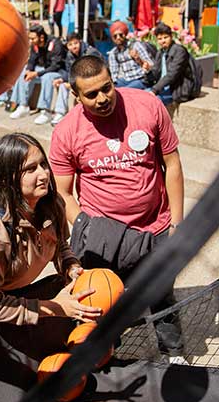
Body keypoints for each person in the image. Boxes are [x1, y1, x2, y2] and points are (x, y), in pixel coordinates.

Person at [49, 54, 186, 363]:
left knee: (161, 294)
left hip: (155, 227)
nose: (102, 98)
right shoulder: (66, 132)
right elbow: (62, 193)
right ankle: (100, 356)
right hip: (103, 239)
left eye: (107, 88)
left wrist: (177, 222)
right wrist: (88, 227)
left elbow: (172, 164)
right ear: (76, 95)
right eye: (92, 94)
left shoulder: (147, 106)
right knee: (98, 302)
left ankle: (174, 356)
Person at [0, 132, 101, 327]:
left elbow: (59, 244)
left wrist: (70, 266)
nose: (44, 174)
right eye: (31, 169)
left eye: (43, 164)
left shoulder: (53, 204)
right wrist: (53, 307)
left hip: (15, 296)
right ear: (5, 179)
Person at [48, 31, 102, 125]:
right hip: (80, 80)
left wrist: (74, 83)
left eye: (76, 43)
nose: (74, 47)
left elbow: (92, 73)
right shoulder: (70, 55)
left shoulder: (90, 52)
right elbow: (70, 72)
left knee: (68, 87)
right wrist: (62, 79)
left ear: (80, 42)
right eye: (70, 44)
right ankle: (60, 113)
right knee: (62, 85)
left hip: (95, 79)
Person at [142, 22, 200, 106]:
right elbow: (155, 73)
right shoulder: (160, 52)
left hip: (177, 90)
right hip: (162, 87)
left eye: (166, 37)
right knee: (140, 96)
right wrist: (148, 71)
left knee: (151, 102)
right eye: (160, 39)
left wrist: (154, 90)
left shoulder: (179, 51)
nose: (163, 41)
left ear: (171, 37)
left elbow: (172, 75)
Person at [27, 27, 67, 124]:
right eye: (29, 38)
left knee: (46, 77)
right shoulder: (35, 45)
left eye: (33, 38)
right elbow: (32, 60)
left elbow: (55, 66)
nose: (30, 41)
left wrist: (37, 73)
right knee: (23, 73)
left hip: (60, 71)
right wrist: (29, 70)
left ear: (41, 37)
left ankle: (46, 111)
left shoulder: (55, 44)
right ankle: (23, 105)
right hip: (45, 69)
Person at [107, 21, 153, 89]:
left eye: (120, 35)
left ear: (125, 35)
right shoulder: (113, 53)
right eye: (115, 36)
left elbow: (150, 64)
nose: (118, 38)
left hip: (139, 78)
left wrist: (138, 59)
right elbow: (114, 74)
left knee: (126, 90)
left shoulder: (135, 45)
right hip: (125, 80)